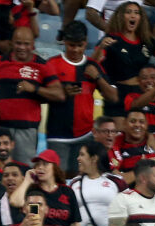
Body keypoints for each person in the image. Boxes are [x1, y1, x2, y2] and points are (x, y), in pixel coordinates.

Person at [45, 21, 118, 176]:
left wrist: (97, 77)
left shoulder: (92, 65)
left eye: (80, 45)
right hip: (58, 136)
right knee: (58, 180)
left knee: (81, 178)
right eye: (72, 45)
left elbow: (113, 97)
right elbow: (39, 96)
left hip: (85, 135)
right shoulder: (52, 64)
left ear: (86, 43)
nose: (76, 50)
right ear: (64, 42)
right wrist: (62, 93)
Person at [0, 27, 66, 163]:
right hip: (1, 128)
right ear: (11, 43)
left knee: (24, 172)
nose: (22, 47)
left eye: (26, 44)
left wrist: (35, 88)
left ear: (33, 44)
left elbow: (59, 95)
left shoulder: (42, 65)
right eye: (18, 43)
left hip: (27, 131)